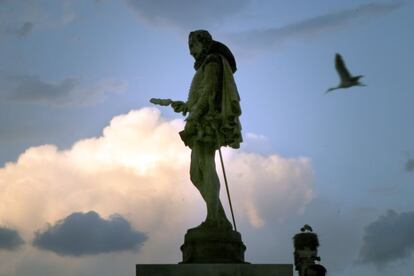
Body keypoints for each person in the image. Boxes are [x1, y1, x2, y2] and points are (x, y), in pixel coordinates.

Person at [154, 30, 242, 230]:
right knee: (196, 174)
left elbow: (210, 93)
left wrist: (193, 116)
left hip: (206, 123)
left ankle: (214, 220)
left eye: (193, 46)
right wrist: (183, 105)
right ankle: (220, 219)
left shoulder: (211, 62)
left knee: (205, 167)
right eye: (189, 47)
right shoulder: (204, 66)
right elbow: (200, 96)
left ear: (204, 44)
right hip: (200, 119)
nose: (190, 52)